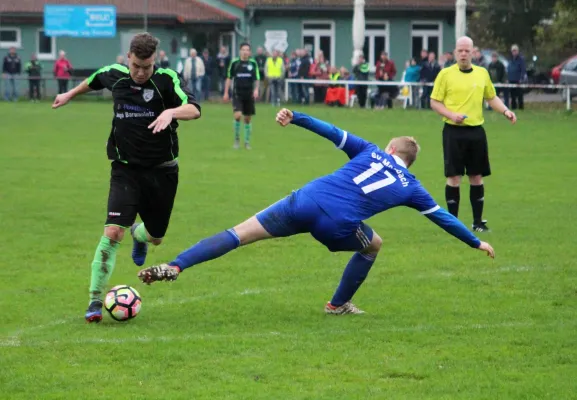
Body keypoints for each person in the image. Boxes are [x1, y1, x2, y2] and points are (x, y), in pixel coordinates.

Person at [136, 108, 495, 315]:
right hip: (338, 224)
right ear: (409, 161)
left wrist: (296, 117)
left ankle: (176, 264)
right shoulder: (412, 186)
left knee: (238, 234)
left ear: (389, 148)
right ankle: (338, 304)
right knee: (373, 244)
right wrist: (473, 243)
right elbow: (442, 216)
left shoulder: (369, 150)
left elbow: (330, 131)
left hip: (305, 199)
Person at [51, 32, 201, 323]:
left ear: (154, 61)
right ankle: (95, 300)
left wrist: (171, 112)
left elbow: (194, 109)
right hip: (125, 169)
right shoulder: (116, 75)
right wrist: (69, 94)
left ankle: (139, 235)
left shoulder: (168, 79)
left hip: (163, 170)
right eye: (136, 66)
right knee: (112, 233)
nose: (140, 73)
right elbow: (94, 79)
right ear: (128, 58)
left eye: (146, 67)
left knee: (156, 237)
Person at [430, 36, 517, 233]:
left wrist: (505, 111)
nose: (463, 54)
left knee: (476, 176)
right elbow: (434, 102)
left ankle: (478, 223)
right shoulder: (445, 74)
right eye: (459, 51)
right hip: (453, 132)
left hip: (476, 132)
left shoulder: (482, 73)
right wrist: (452, 115)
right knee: (453, 177)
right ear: (454, 53)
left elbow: (491, 97)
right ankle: (453, 223)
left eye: (466, 51)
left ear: (473, 53)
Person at [224, 42, 260, 150]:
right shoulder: (235, 63)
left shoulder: (253, 63)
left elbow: (257, 78)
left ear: (250, 52)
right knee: (238, 115)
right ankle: (236, 140)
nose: (245, 52)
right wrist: (226, 92)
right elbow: (229, 78)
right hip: (237, 94)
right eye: (243, 49)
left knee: (248, 119)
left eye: (247, 50)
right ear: (240, 51)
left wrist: (256, 89)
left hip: (249, 95)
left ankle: (247, 142)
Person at [506, 44, 526, 110]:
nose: (514, 52)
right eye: (513, 51)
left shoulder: (521, 59)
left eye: (515, 51)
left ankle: (521, 107)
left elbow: (523, 69)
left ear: (517, 51)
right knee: (512, 95)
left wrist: (521, 78)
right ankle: (513, 107)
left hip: (518, 80)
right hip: (511, 79)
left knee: (520, 95)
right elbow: (508, 69)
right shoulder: (510, 59)